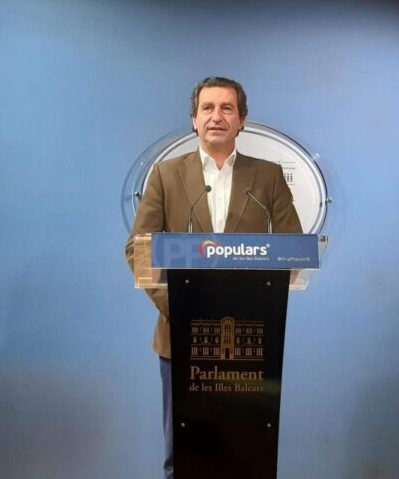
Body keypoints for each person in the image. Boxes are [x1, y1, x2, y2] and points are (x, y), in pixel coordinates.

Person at [125, 76, 302, 479]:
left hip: (249, 340)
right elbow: (139, 248)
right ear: (194, 119)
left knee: (245, 450)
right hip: (180, 336)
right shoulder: (166, 175)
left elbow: (294, 248)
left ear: (242, 120)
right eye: (207, 108)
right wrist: (180, 308)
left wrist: (256, 304)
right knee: (184, 453)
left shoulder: (268, 177)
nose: (216, 116)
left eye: (227, 108)